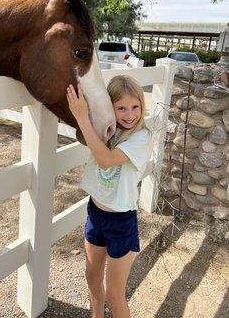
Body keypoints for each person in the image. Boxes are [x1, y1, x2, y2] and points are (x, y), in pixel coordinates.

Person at [66, 75, 152, 318]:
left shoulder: (141, 137)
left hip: (121, 222)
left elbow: (105, 161)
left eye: (135, 107)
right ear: (110, 108)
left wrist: (83, 117)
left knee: (115, 294)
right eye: (121, 108)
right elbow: (84, 132)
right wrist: (83, 111)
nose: (129, 114)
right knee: (92, 278)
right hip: (95, 214)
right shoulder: (106, 128)